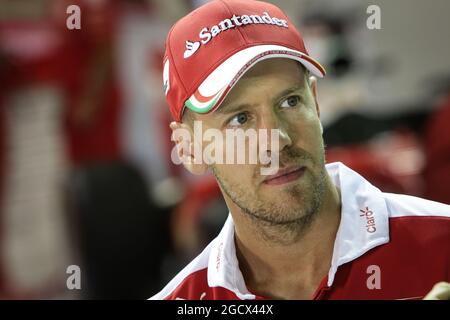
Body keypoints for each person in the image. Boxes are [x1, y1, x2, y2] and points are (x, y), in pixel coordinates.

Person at [151, 0, 450, 300]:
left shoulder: (442, 246)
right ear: (189, 148)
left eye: (290, 102)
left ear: (316, 104)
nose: (277, 139)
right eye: (239, 119)